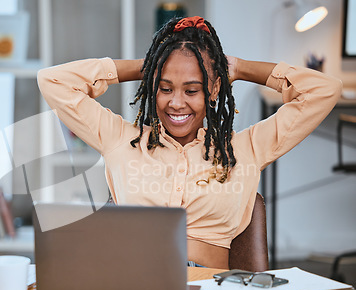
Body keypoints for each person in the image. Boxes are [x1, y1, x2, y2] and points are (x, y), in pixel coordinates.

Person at [37, 16, 342, 269]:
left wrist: (240, 68)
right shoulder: (120, 139)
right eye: (164, 88)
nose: (176, 103)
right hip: (135, 284)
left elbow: (325, 90)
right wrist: (147, 67)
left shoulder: (247, 149)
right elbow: (52, 81)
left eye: (192, 90)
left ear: (214, 89)